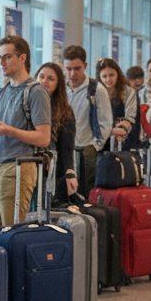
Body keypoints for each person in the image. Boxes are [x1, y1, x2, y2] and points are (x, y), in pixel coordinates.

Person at [0, 35, 51, 228]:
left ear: (22, 58)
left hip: (16, 167)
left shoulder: (35, 91)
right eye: (0, 58)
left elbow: (43, 138)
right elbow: (0, 131)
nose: (2, 62)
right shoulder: (3, 91)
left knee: (11, 230)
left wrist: (9, 131)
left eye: (7, 57)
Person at [62, 44, 112, 197]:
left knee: (84, 193)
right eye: (68, 68)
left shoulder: (96, 89)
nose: (72, 73)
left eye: (77, 68)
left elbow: (106, 122)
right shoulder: (61, 88)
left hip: (86, 150)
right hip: (65, 151)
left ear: (85, 66)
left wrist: (95, 147)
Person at [36, 62, 77, 205]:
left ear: (58, 85)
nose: (44, 81)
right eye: (41, 77)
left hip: (51, 170)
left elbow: (67, 147)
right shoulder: (27, 103)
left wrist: (69, 172)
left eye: (50, 79)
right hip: (26, 166)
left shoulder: (65, 111)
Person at [97, 57, 140, 150]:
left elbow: (130, 117)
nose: (108, 79)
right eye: (104, 76)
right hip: (101, 141)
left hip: (124, 140)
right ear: (99, 78)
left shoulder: (129, 92)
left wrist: (123, 127)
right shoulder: (96, 93)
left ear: (118, 74)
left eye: (112, 75)